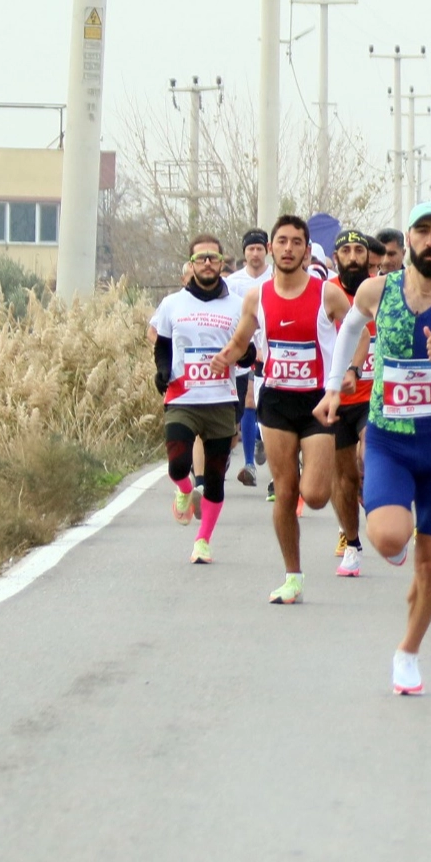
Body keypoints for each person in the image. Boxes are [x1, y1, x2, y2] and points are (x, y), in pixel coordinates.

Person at [315, 200, 431, 695]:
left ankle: (408, 652)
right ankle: (397, 537)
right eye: (423, 231)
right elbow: (347, 329)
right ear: (410, 240)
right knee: (390, 538)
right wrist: (334, 387)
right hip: (390, 441)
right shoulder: (377, 289)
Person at [211, 214, 349, 604]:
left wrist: (350, 371)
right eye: (282, 241)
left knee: (317, 494)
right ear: (271, 248)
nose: (288, 249)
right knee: (286, 491)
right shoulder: (257, 296)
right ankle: (292, 577)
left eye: (296, 242)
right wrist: (227, 355)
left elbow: (357, 334)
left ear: (307, 250)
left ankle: (315, 473)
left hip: (318, 401)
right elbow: (241, 339)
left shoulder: (327, 294)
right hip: (275, 399)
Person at [153, 234, 251, 564]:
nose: (207, 263)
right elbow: (162, 345)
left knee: (213, 477)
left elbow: (249, 352)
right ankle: (183, 490)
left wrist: (239, 355)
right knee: (178, 463)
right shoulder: (172, 304)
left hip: (222, 400)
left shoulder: (238, 306)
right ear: (191, 265)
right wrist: (162, 371)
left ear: (222, 262)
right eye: (200, 258)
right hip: (183, 396)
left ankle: (203, 540)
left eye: (213, 257)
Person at [327, 228, 378, 577]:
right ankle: (353, 542)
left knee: (369, 455)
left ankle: (381, 505)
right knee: (343, 478)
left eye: (359, 250)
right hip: (334, 398)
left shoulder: (381, 292)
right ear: (336, 258)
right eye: (346, 251)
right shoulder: (325, 293)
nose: (353, 257)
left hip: (375, 394)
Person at [225, 228, 272, 486]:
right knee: (247, 403)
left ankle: (261, 440)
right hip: (244, 351)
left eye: (259, 248)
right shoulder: (233, 282)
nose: (255, 253)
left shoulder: (275, 278)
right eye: (250, 249)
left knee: (261, 403)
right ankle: (250, 463)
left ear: (267, 250)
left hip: (270, 351)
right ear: (244, 252)